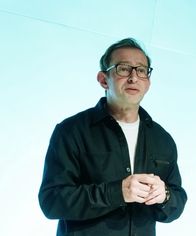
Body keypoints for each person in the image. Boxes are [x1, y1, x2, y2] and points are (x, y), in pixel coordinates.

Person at [38, 38, 187, 236]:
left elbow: (177, 201)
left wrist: (165, 196)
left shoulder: (162, 139)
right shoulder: (71, 131)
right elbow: (52, 201)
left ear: (148, 82)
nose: (134, 77)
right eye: (123, 68)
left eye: (141, 70)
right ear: (103, 79)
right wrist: (118, 192)